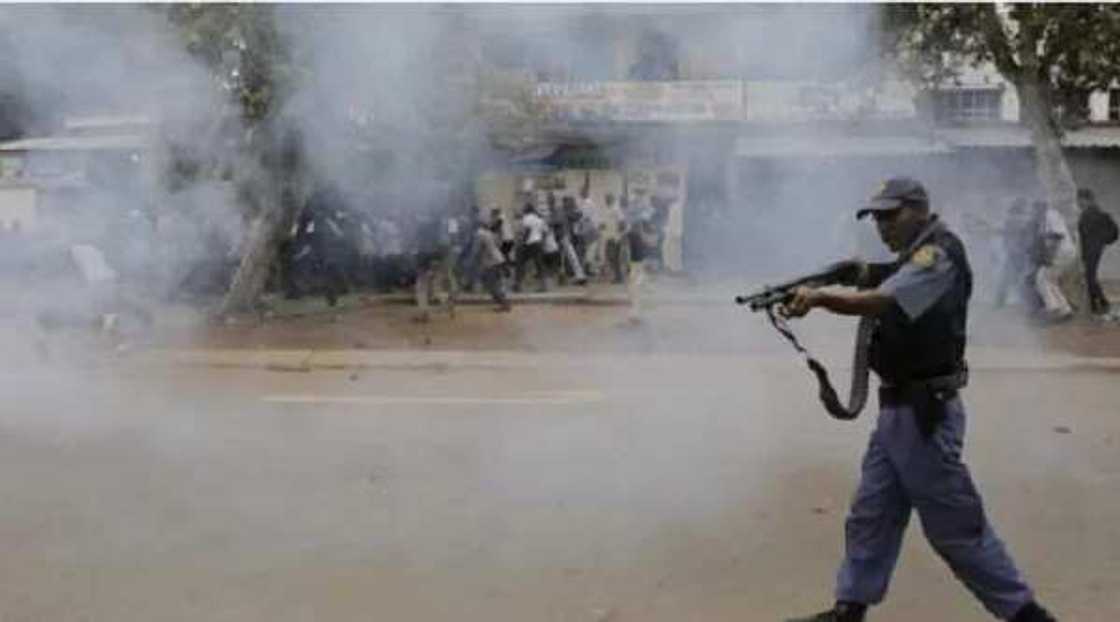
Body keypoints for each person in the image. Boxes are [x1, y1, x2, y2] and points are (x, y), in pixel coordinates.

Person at [780, 178, 1056, 622]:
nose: (882, 226)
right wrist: (858, 271)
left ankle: (1028, 616)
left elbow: (885, 300)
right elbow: (890, 278)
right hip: (897, 412)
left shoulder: (938, 253)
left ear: (919, 210)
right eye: (877, 218)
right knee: (871, 514)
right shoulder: (914, 256)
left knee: (958, 532)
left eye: (891, 216)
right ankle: (849, 610)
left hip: (924, 414)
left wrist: (821, 298)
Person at [1030, 200, 1075, 322]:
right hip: (1062, 252)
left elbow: (1057, 236)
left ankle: (1053, 309)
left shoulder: (1051, 215)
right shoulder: (1045, 218)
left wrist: (1049, 257)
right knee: (1051, 281)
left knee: (1041, 278)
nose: (1034, 211)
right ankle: (1065, 310)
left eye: (1035, 208)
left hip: (1062, 252)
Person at [1076, 188, 1118, 315]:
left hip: (1093, 249)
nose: (1078, 203)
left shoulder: (1094, 213)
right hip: (1092, 249)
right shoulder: (1089, 213)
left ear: (1087, 200)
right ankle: (1096, 304)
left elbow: (1113, 232)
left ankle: (1101, 303)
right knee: (1090, 276)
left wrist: (1101, 241)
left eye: (1080, 200)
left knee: (1090, 277)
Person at [472, 217, 511, 312]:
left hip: (491, 263)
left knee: (492, 286)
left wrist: (474, 259)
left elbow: (477, 249)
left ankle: (505, 305)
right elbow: (497, 245)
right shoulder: (489, 233)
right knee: (495, 284)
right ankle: (503, 303)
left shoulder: (479, 233)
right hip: (499, 260)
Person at [514, 204, 549, 293]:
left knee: (520, 262)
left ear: (526, 210)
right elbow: (545, 232)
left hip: (529, 243)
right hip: (538, 243)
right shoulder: (539, 219)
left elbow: (527, 230)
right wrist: (542, 242)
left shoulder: (526, 218)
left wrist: (523, 242)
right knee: (539, 265)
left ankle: (517, 284)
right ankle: (543, 285)